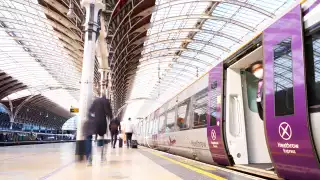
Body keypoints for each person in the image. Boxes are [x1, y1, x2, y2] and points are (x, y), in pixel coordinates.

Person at [83, 94, 113, 166]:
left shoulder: (96, 101)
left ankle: (89, 160)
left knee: (90, 139)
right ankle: (102, 158)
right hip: (102, 123)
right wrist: (110, 120)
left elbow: (90, 111)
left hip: (94, 122)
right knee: (102, 139)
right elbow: (109, 113)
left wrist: (91, 119)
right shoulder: (106, 101)